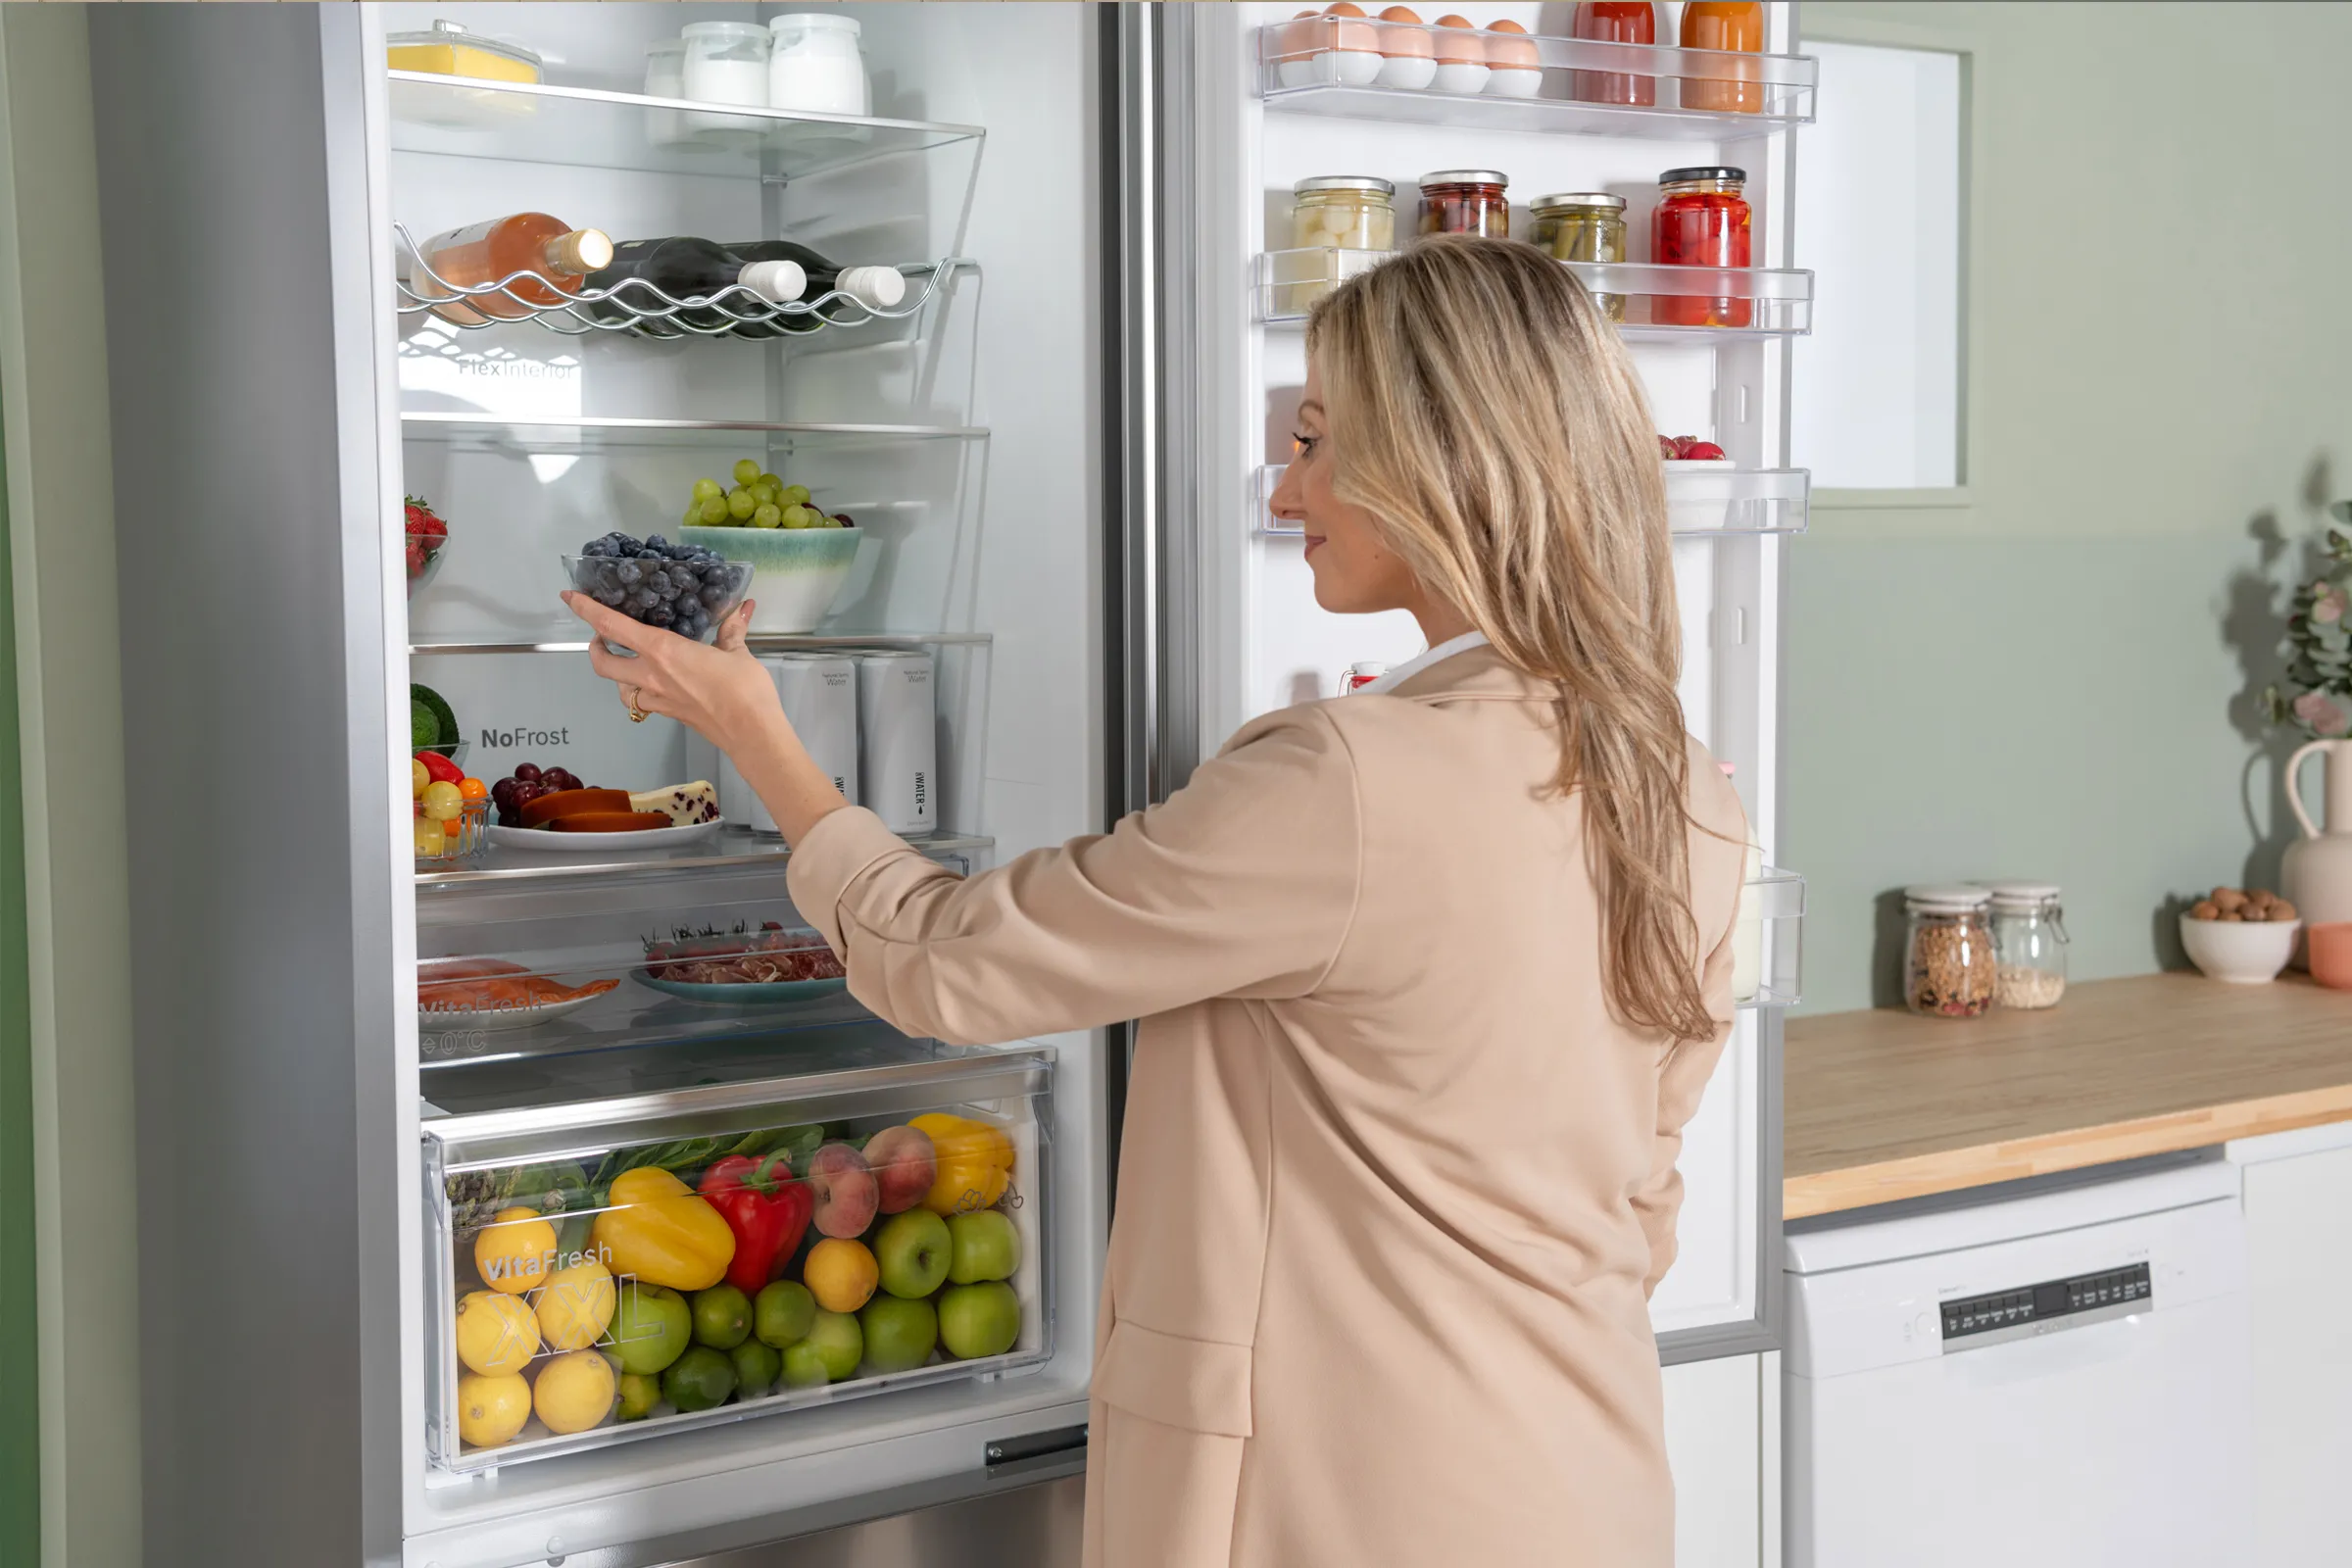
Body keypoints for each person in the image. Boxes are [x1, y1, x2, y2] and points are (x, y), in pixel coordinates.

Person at [562, 235, 1747, 1568]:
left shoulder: (1350, 782)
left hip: (1351, 1497)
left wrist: (755, 735)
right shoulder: (1682, 785)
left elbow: (946, 961)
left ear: (1441, 465)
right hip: (1582, 1478)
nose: (1289, 487)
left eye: (1315, 442)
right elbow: (1644, 1204)